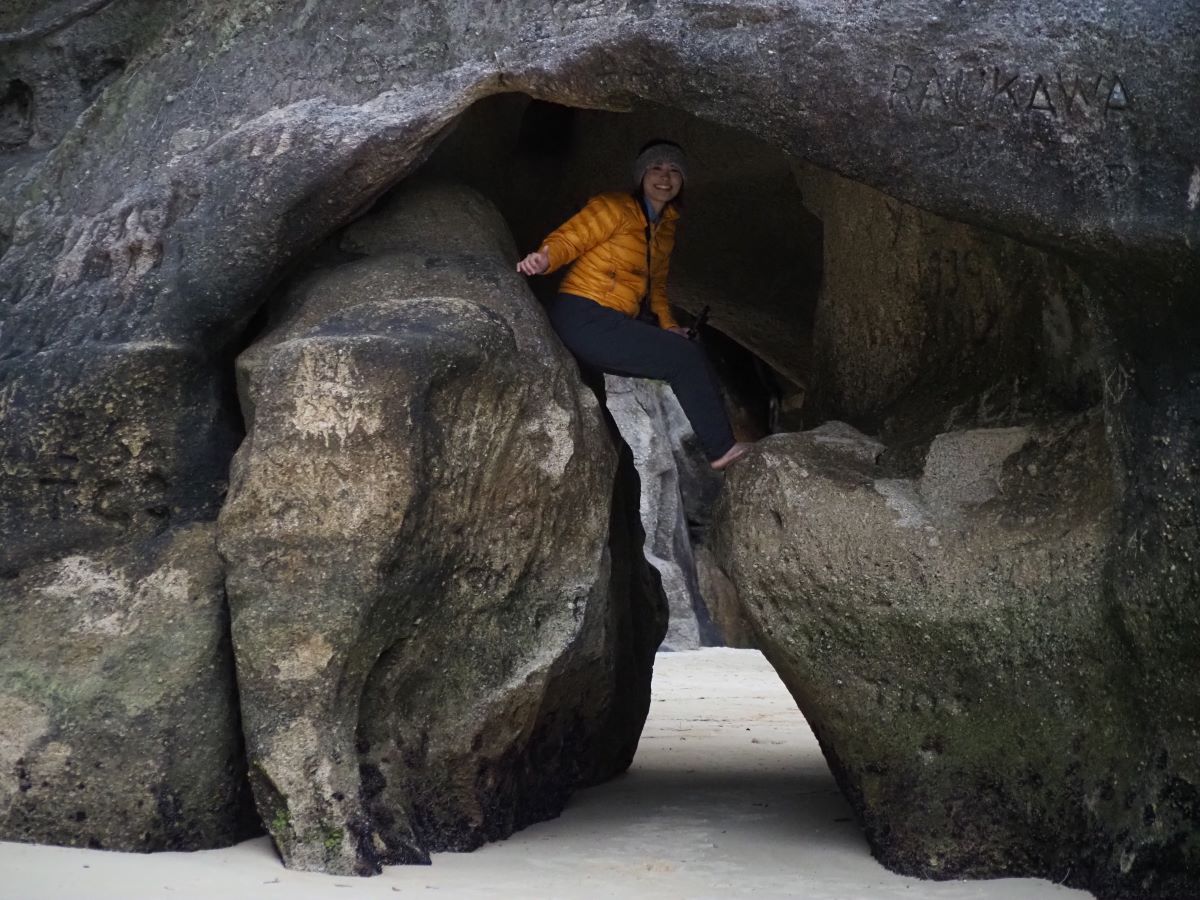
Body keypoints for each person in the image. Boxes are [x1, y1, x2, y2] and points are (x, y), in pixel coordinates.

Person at [517, 140, 752, 471]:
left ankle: (722, 442)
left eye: (673, 171)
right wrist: (544, 259)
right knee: (682, 359)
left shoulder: (664, 227)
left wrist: (671, 327)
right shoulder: (614, 208)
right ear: (641, 174)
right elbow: (571, 239)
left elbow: (656, 287)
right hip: (583, 315)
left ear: (682, 180)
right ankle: (721, 449)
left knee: (688, 346)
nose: (664, 178)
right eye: (656, 168)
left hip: (611, 319)